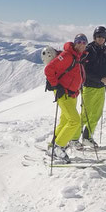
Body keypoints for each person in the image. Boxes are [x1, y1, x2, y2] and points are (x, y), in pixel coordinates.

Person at [44, 33, 88, 162]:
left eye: (84, 42)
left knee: (64, 121)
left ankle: (53, 146)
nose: (81, 44)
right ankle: (58, 148)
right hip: (64, 93)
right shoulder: (67, 55)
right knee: (74, 121)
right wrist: (56, 85)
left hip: (72, 94)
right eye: (79, 42)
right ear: (75, 43)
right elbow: (49, 70)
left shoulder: (78, 56)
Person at [78, 26, 106, 146]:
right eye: (99, 36)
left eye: (103, 37)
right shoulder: (88, 50)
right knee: (85, 114)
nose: (101, 39)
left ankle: (87, 137)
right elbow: (84, 71)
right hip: (89, 87)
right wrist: (100, 78)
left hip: (102, 87)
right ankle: (73, 139)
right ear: (94, 37)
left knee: (96, 114)